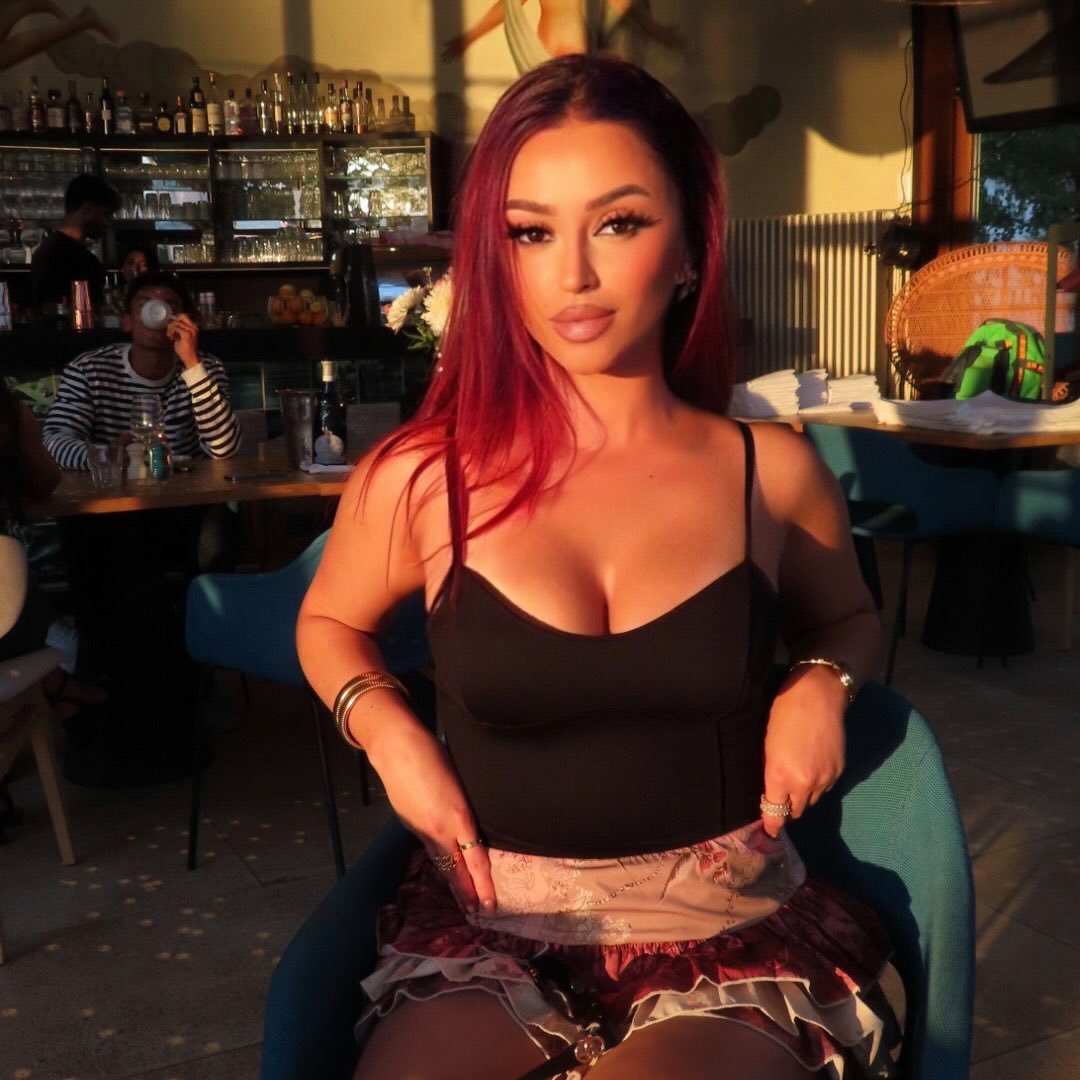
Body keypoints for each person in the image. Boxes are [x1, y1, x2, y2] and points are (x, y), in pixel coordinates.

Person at [298, 56, 902, 1079]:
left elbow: (847, 617)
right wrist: (387, 730)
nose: (571, 275)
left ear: (691, 247)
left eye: (618, 223)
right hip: (485, 929)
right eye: (530, 233)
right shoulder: (420, 478)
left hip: (728, 933)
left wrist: (821, 681)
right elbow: (327, 623)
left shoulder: (771, 473)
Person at [42, 269, 241, 470]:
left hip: (190, 487)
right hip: (116, 488)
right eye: (144, 305)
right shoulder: (88, 371)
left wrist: (192, 364)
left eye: (169, 306)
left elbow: (224, 448)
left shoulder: (205, 368)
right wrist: (107, 456)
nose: (156, 313)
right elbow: (54, 442)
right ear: (127, 321)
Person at [29, 172, 118, 311]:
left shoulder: (48, 250)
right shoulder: (69, 257)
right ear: (88, 210)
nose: (108, 222)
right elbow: (54, 309)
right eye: (106, 214)